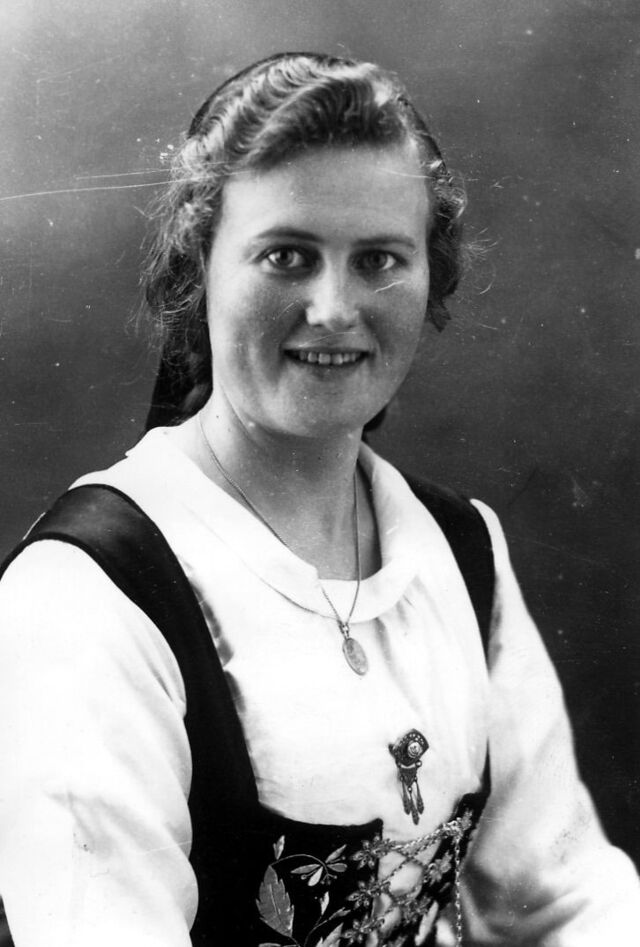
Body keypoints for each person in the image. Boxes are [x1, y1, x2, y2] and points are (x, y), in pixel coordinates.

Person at [0, 52, 637, 947]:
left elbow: (567, 898)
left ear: (430, 276)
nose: (334, 308)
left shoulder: (459, 551)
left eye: (378, 259)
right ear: (199, 270)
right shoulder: (90, 595)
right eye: (286, 256)